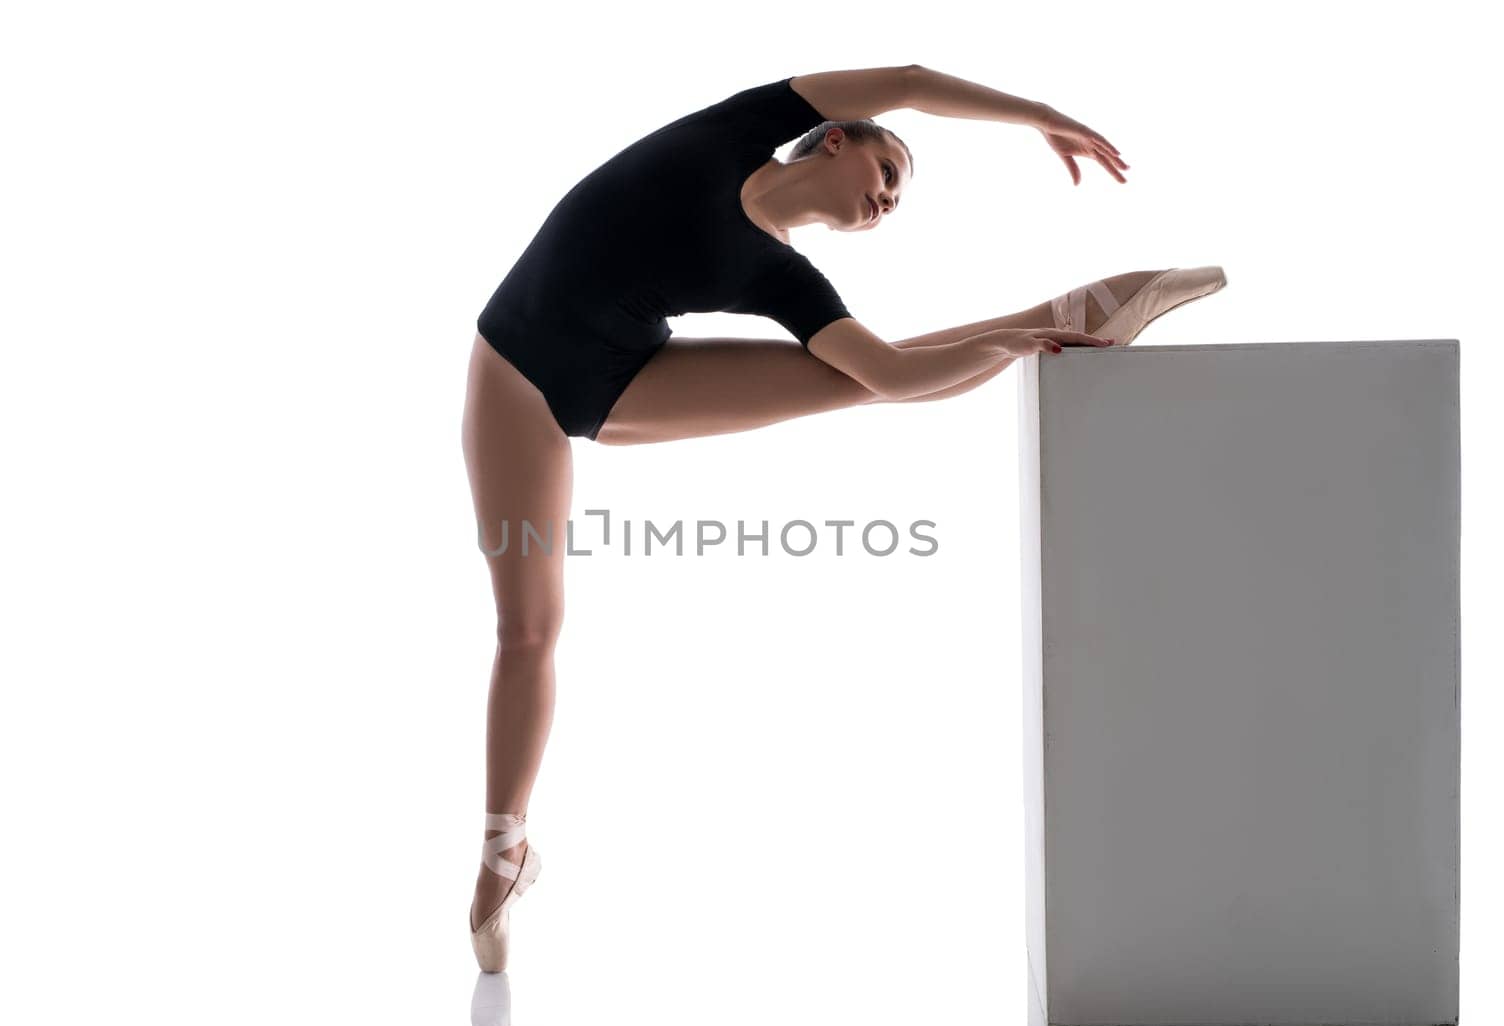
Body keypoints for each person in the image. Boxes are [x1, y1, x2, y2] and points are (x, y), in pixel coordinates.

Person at [463, 64, 1227, 971]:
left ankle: (1072, 312)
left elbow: (898, 380)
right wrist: (1038, 113)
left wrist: (1017, 341)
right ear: (834, 137)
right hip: (517, 368)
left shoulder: (781, 274)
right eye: (889, 174)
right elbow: (904, 78)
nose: (890, 201)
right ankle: (503, 848)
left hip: (628, 379)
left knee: (857, 378)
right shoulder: (732, 134)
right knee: (529, 627)